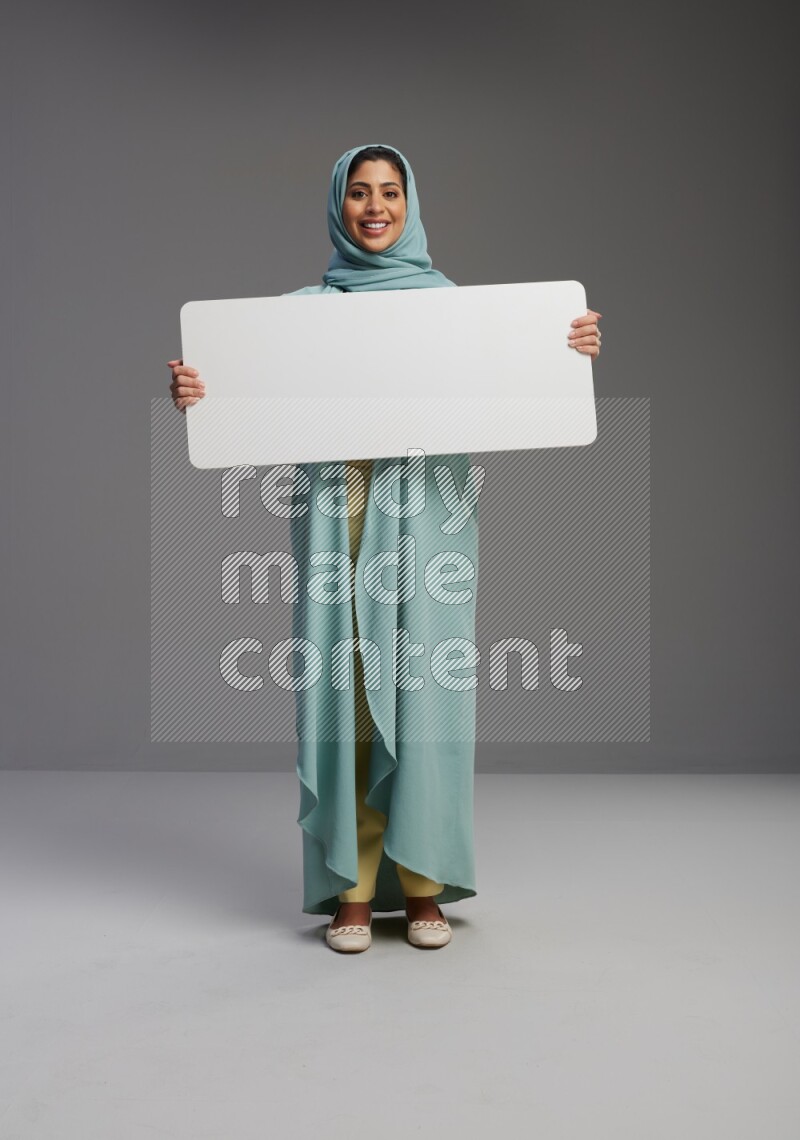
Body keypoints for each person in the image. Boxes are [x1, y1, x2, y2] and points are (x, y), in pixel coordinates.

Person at [168, 143, 602, 954]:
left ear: (410, 204)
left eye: (390, 192)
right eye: (360, 193)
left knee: (426, 697)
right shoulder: (300, 311)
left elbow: (518, 382)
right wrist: (199, 390)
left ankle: (425, 882)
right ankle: (354, 890)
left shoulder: (452, 309)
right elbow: (240, 396)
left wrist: (563, 348)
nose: (376, 207)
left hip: (429, 522)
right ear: (339, 206)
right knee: (349, 703)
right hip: (340, 521)